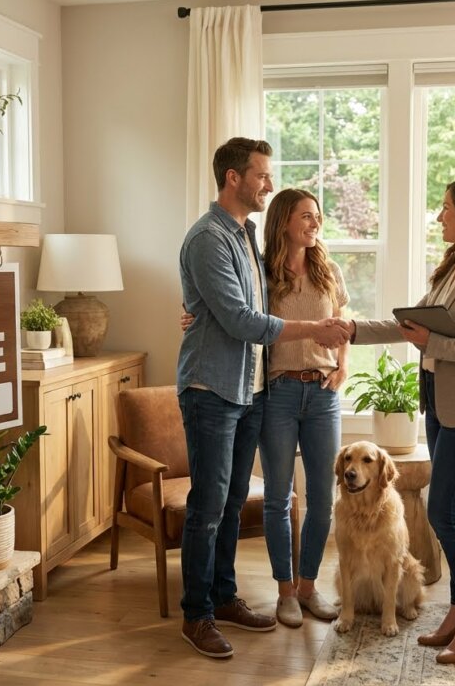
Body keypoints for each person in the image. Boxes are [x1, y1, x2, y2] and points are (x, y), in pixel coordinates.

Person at [176, 137, 350, 659]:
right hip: (212, 389)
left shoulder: (246, 237)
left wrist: (190, 309)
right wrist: (314, 329)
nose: (267, 184)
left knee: (230, 504)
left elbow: (232, 304)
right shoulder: (209, 237)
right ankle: (196, 614)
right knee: (207, 507)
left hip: (247, 390)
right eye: (261, 175)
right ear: (233, 178)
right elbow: (241, 319)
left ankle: (224, 597)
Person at [345, 177, 455, 665]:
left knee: (444, 513)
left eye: (447, 209)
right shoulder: (451, 270)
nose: (440, 216)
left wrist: (433, 344)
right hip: (440, 406)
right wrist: (353, 330)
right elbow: (411, 326)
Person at [259, 189, 347, 628]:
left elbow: (343, 325)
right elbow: (250, 325)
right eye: (307, 216)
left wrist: (342, 368)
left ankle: (309, 587)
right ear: (284, 222)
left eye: (318, 216)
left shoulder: (327, 270)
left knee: (323, 499)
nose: (315, 224)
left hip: (323, 395)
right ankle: (285, 592)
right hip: (279, 393)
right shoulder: (262, 273)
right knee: (278, 498)